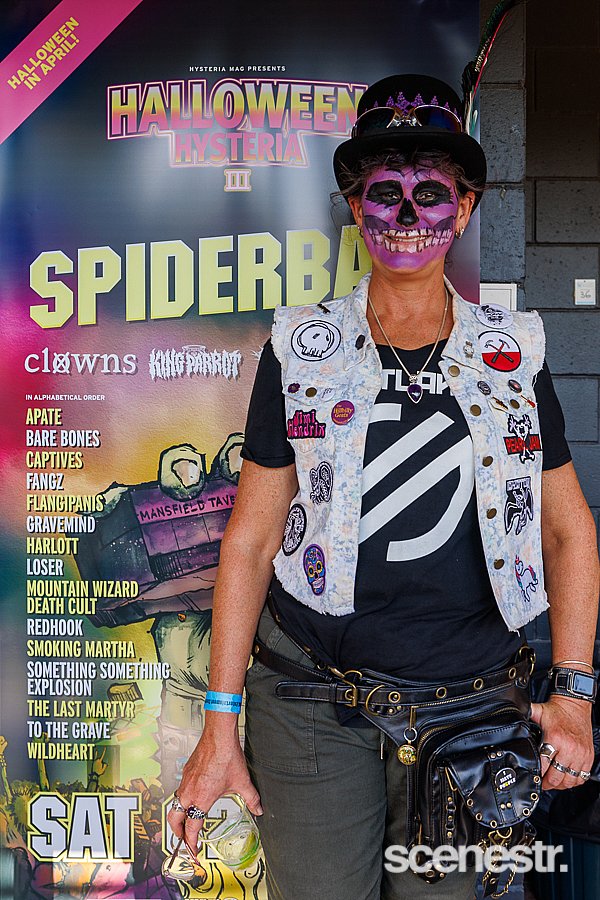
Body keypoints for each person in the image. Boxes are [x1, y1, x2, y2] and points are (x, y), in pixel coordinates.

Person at [167, 74, 599, 900]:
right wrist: (220, 720)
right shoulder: (302, 348)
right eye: (383, 192)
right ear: (356, 208)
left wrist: (574, 694)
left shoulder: (514, 355)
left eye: (429, 192)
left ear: (463, 210)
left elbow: (567, 531)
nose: (405, 213)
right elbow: (250, 541)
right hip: (312, 703)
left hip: (472, 712)